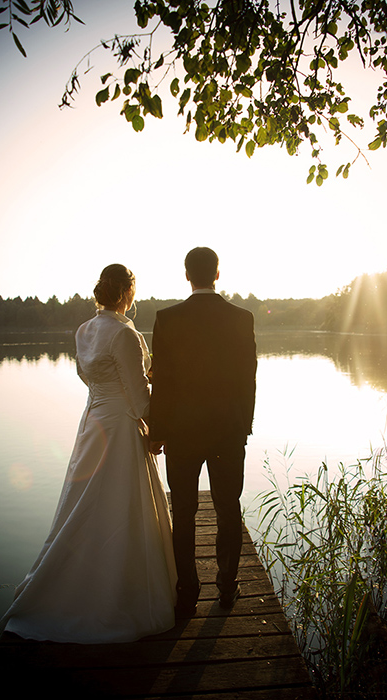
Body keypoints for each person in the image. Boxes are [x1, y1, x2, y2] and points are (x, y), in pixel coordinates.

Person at [0, 264, 177, 643]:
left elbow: (90, 376)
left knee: (84, 504)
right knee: (119, 505)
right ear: (128, 292)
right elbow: (138, 396)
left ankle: (69, 580)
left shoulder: (84, 330)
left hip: (93, 421)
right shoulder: (125, 334)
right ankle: (115, 596)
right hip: (119, 426)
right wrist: (159, 422)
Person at [149, 247, 257, 616]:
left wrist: (156, 430)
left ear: (186, 275)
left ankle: (188, 592)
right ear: (217, 273)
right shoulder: (242, 318)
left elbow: (161, 381)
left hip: (181, 430)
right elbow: (248, 377)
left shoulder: (167, 318)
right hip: (228, 428)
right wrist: (244, 425)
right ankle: (227, 587)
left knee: (184, 511)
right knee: (228, 509)